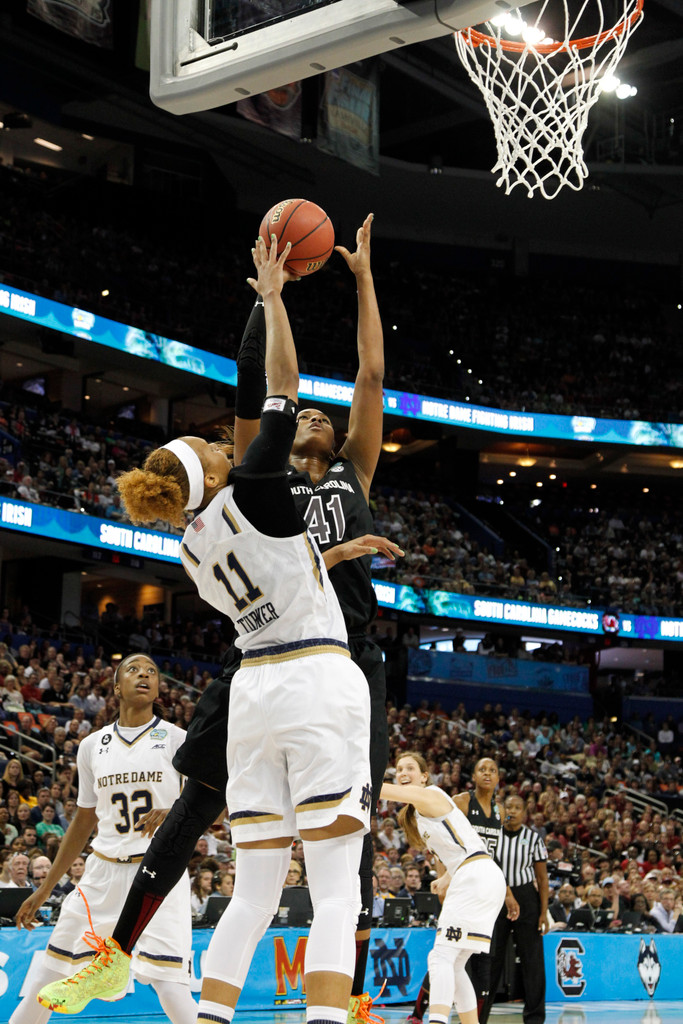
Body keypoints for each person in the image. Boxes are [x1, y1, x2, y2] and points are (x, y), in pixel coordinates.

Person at [45, 217, 399, 1021]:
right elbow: (265, 379)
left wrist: (354, 283)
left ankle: (297, 996)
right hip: (308, 666)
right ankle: (129, 955)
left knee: (279, 866)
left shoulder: (241, 516)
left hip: (286, 657)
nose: (308, 414)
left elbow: (363, 378)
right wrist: (271, 297)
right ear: (217, 466)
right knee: (285, 846)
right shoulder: (257, 476)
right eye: (210, 445)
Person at [12, 654, 196, 1024]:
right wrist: (46, 888)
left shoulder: (179, 740)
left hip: (159, 869)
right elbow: (82, 821)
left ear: (159, 689)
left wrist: (176, 810)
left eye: (152, 672)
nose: (144, 674)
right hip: (101, 872)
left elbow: (211, 806)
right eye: (133, 669)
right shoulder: (91, 746)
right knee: (50, 974)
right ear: (116, 688)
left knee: (167, 981)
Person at [381, 752, 506, 1024]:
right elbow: (465, 849)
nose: (402, 773)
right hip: (481, 873)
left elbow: (381, 790)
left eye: (410, 768)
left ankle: (436, 1021)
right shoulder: (421, 812)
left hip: (476, 876)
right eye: (398, 768)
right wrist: (446, 877)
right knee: (456, 962)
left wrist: (354, 777)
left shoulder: (431, 795)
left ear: (424, 776)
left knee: (440, 956)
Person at [480, 794, 549, 1024]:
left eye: (518, 807)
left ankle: (535, 1018)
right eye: (509, 806)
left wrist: (543, 912)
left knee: (532, 961)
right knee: (491, 959)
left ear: (525, 812)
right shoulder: (493, 835)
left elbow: (542, 878)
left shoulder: (533, 838)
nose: (513, 810)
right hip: (497, 897)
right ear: (502, 810)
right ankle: (479, 1016)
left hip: (527, 898)